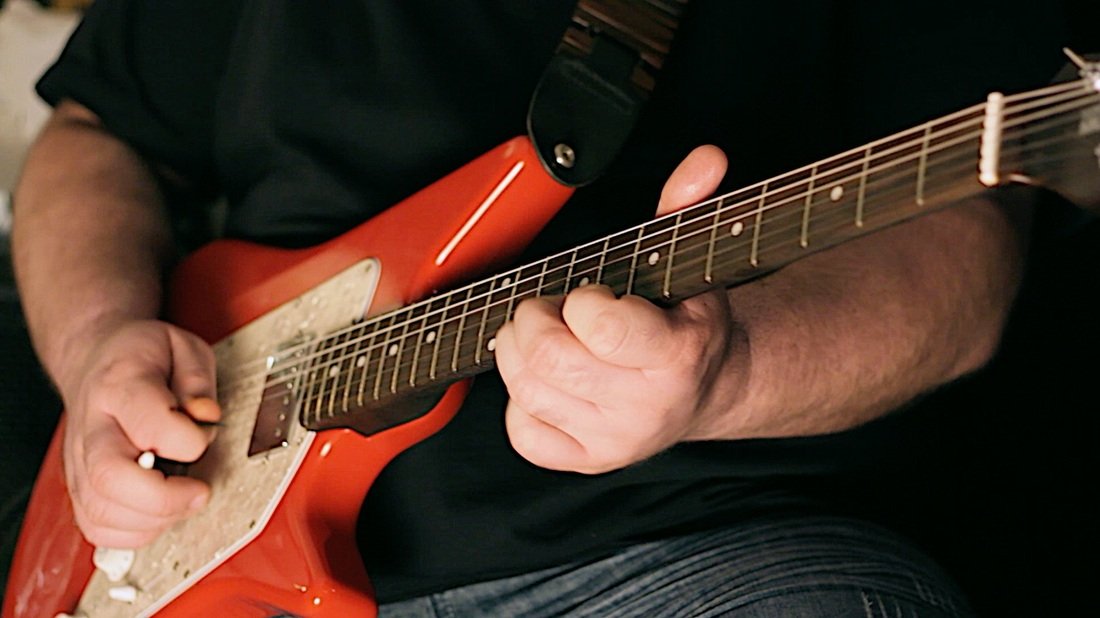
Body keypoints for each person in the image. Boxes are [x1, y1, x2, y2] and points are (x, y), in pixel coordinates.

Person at [8, 0, 1069, 615]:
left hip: (692, 547)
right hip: (202, 549)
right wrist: (98, 343)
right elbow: (100, 133)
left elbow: (965, 241)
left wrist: (731, 368)